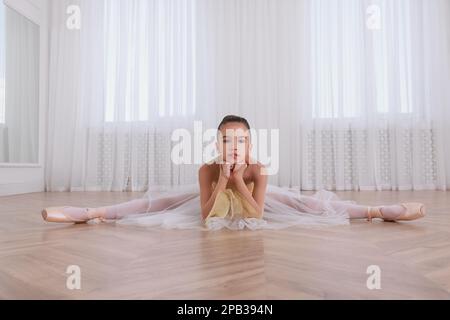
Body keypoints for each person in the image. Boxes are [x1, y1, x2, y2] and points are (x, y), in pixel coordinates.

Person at [41, 115, 426, 230]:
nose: (234, 148)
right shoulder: (208, 167)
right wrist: (223, 178)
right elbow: (207, 214)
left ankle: (376, 211)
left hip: (256, 200)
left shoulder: (257, 167)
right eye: (227, 141)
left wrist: (240, 178)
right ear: (217, 145)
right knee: (161, 202)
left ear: (250, 146)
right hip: (213, 198)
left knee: (304, 202)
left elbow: (256, 213)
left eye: (240, 141)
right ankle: (93, 213)